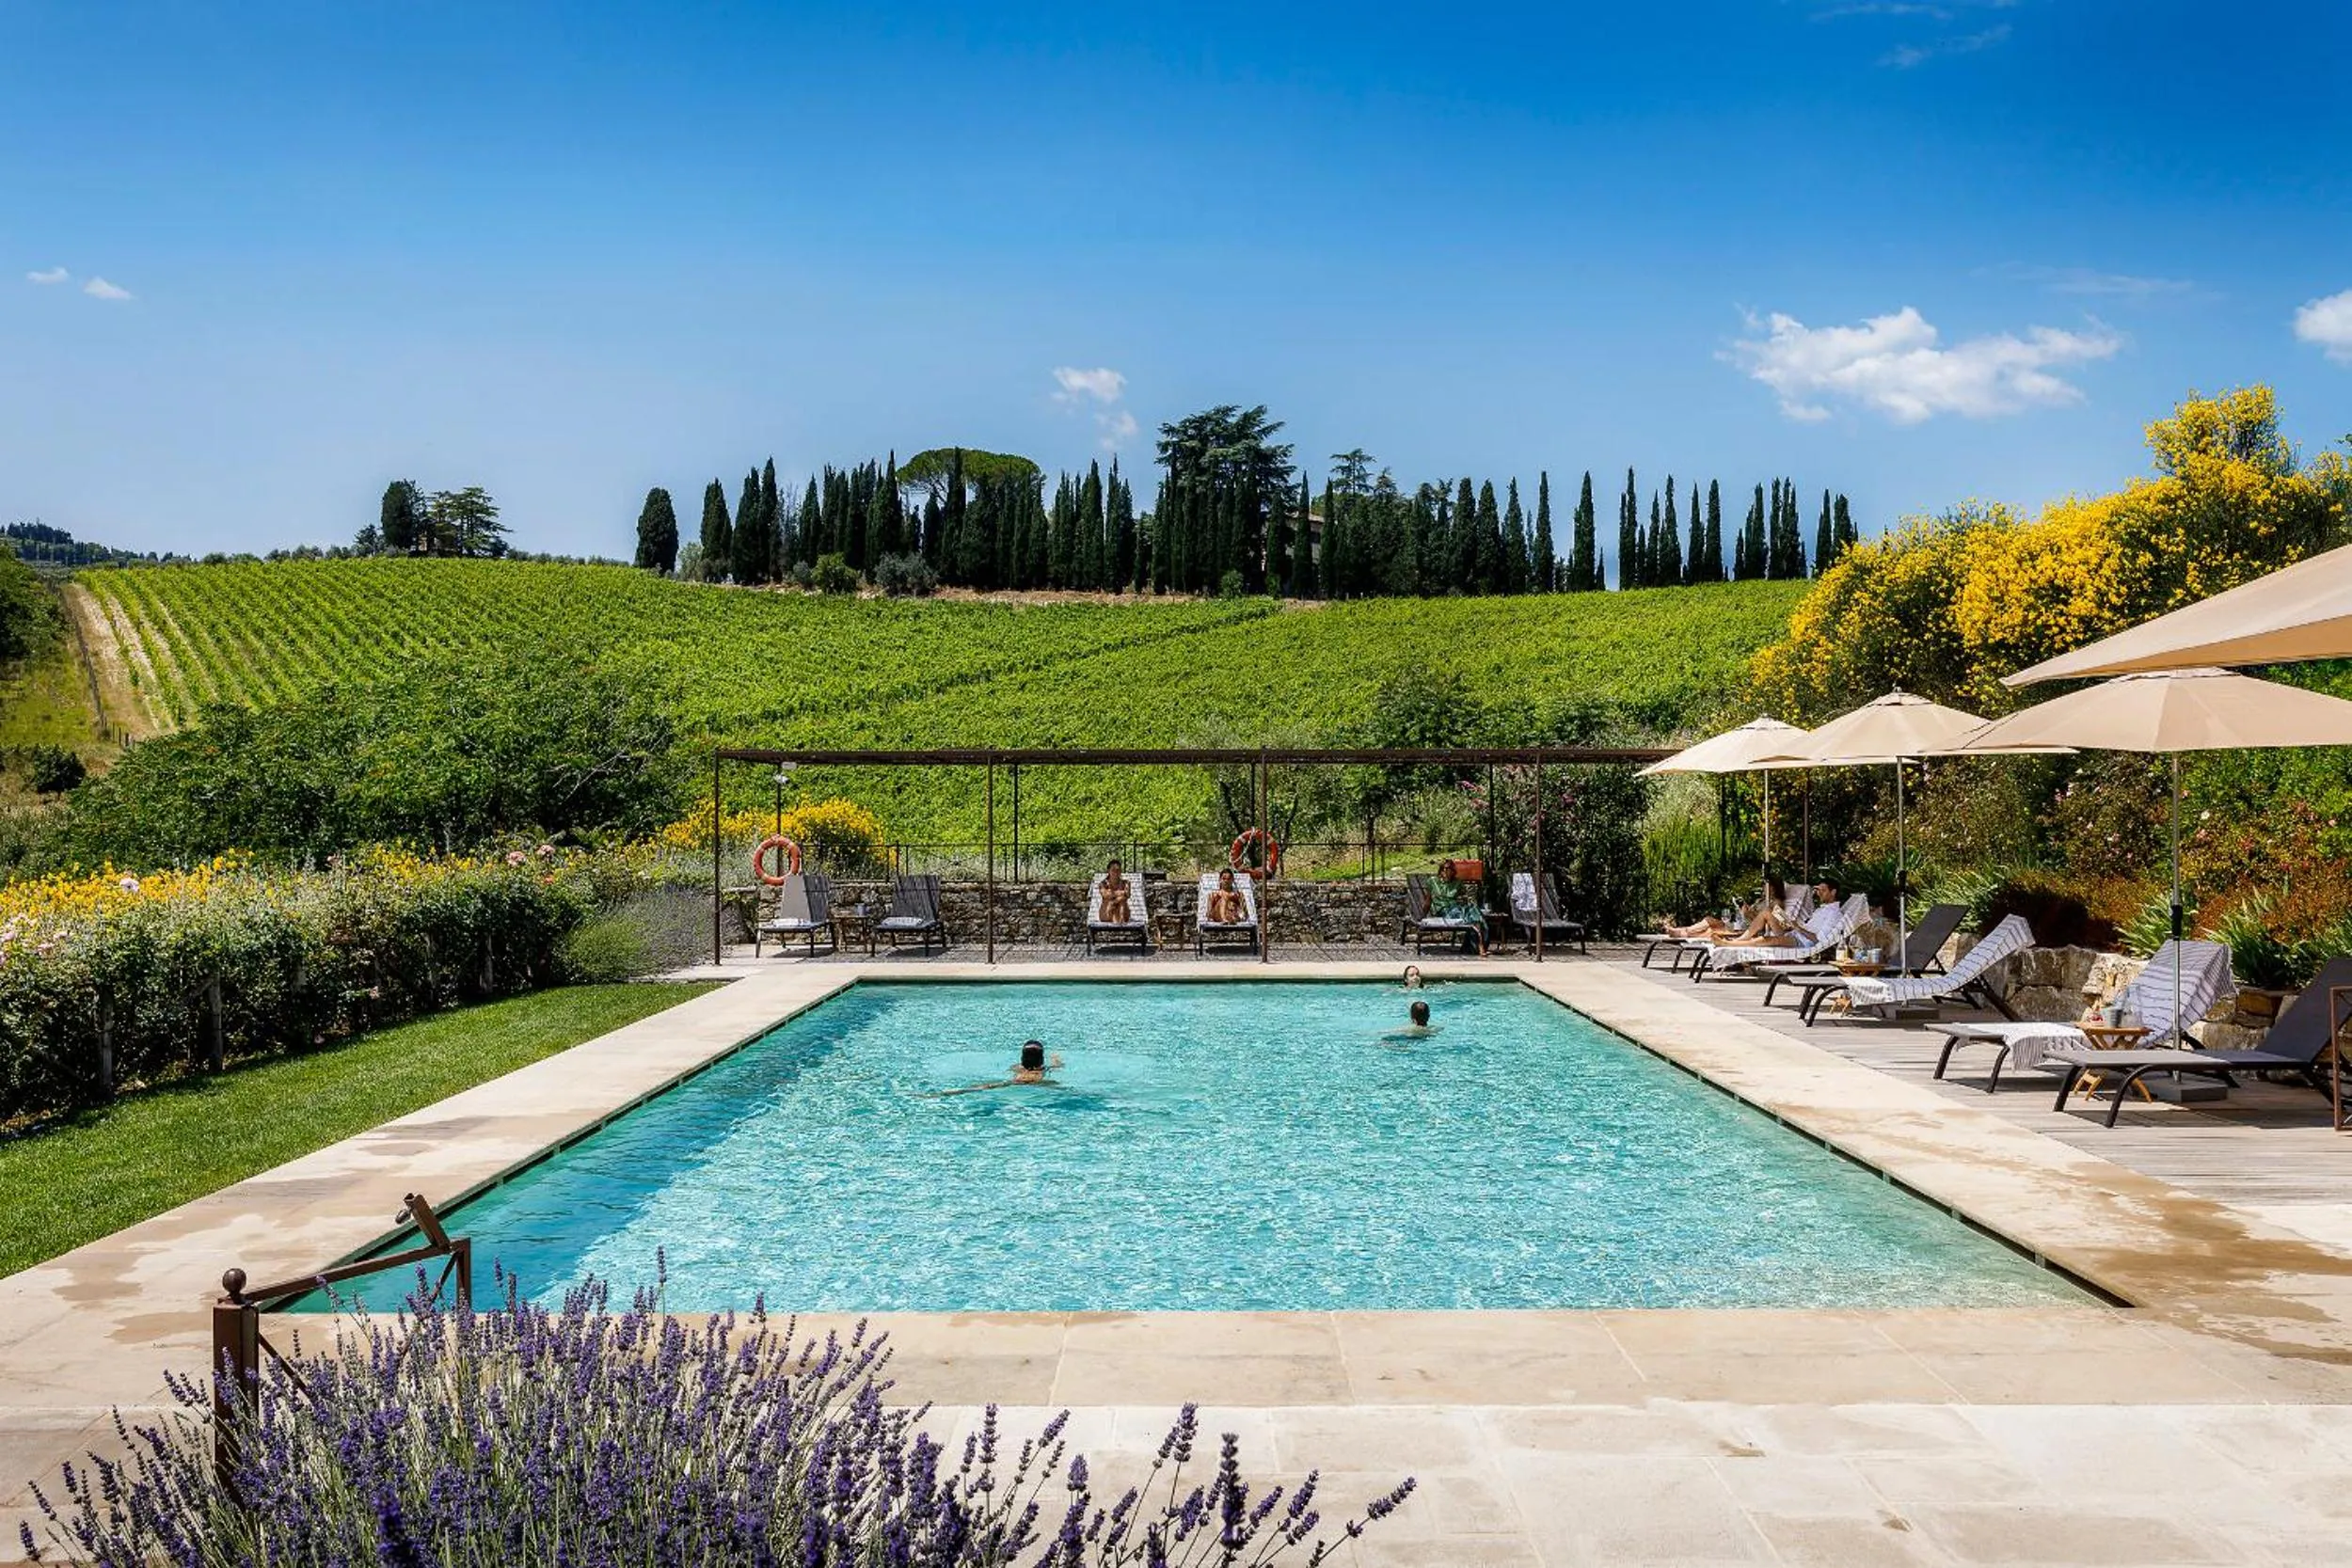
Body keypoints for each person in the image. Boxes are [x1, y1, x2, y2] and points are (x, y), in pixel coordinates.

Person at [1714, 879, 1843, 950]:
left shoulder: (1834, 914)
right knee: (1766, 913)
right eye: (1818, 890)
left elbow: (1819, 940)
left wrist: (1798, 928)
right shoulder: (1822, 909)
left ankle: (1729, 944)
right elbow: (1809, 927)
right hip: (1794, 933)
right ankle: (1738, 940)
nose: (1819, 893)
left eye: (1823, 890)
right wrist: (1792, 925)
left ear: (1833, 892)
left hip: (1803, 942)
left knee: (1767, 940)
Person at [1663, 878, 1787, 941]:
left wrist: (1749, 914)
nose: (1764, 889)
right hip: (1740, 924)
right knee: (1709, 920)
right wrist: (1745, 910)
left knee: (1712, 930)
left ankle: (1681, 933)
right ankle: (1683, 931)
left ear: (1774, 888)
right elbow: (1752, 914)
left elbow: (1768, 923)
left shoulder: (1776, 903)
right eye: (1764, 886)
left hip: (1747, 930)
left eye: (1767, 886)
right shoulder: (1761, 900)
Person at [933, 1039, 1064, 1097]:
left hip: (1015, 1082)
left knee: (980, 1088)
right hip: (1036, 1083)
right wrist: (1055, 1058)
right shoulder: (1042, 1069)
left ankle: (943, 1094)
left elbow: (1010, 1070)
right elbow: (1058, 1066)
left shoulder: (1017, 1068)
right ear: (1041, 1059)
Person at [1098, 858, 1133, 925]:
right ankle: (1119, 922)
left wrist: (1114, 901)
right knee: (1121, 899)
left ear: (1120, 871)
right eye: (1113, 870)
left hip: (1123, 914)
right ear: (1108, 871)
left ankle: (1118, 921)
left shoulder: (1126, 883)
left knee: (1122, 900)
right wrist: (1121, 893)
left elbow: (1127, 894)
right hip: (1106, 914)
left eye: (1118, 870)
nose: (1116, 872)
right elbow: (1106, 895)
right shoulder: (1102, 884)